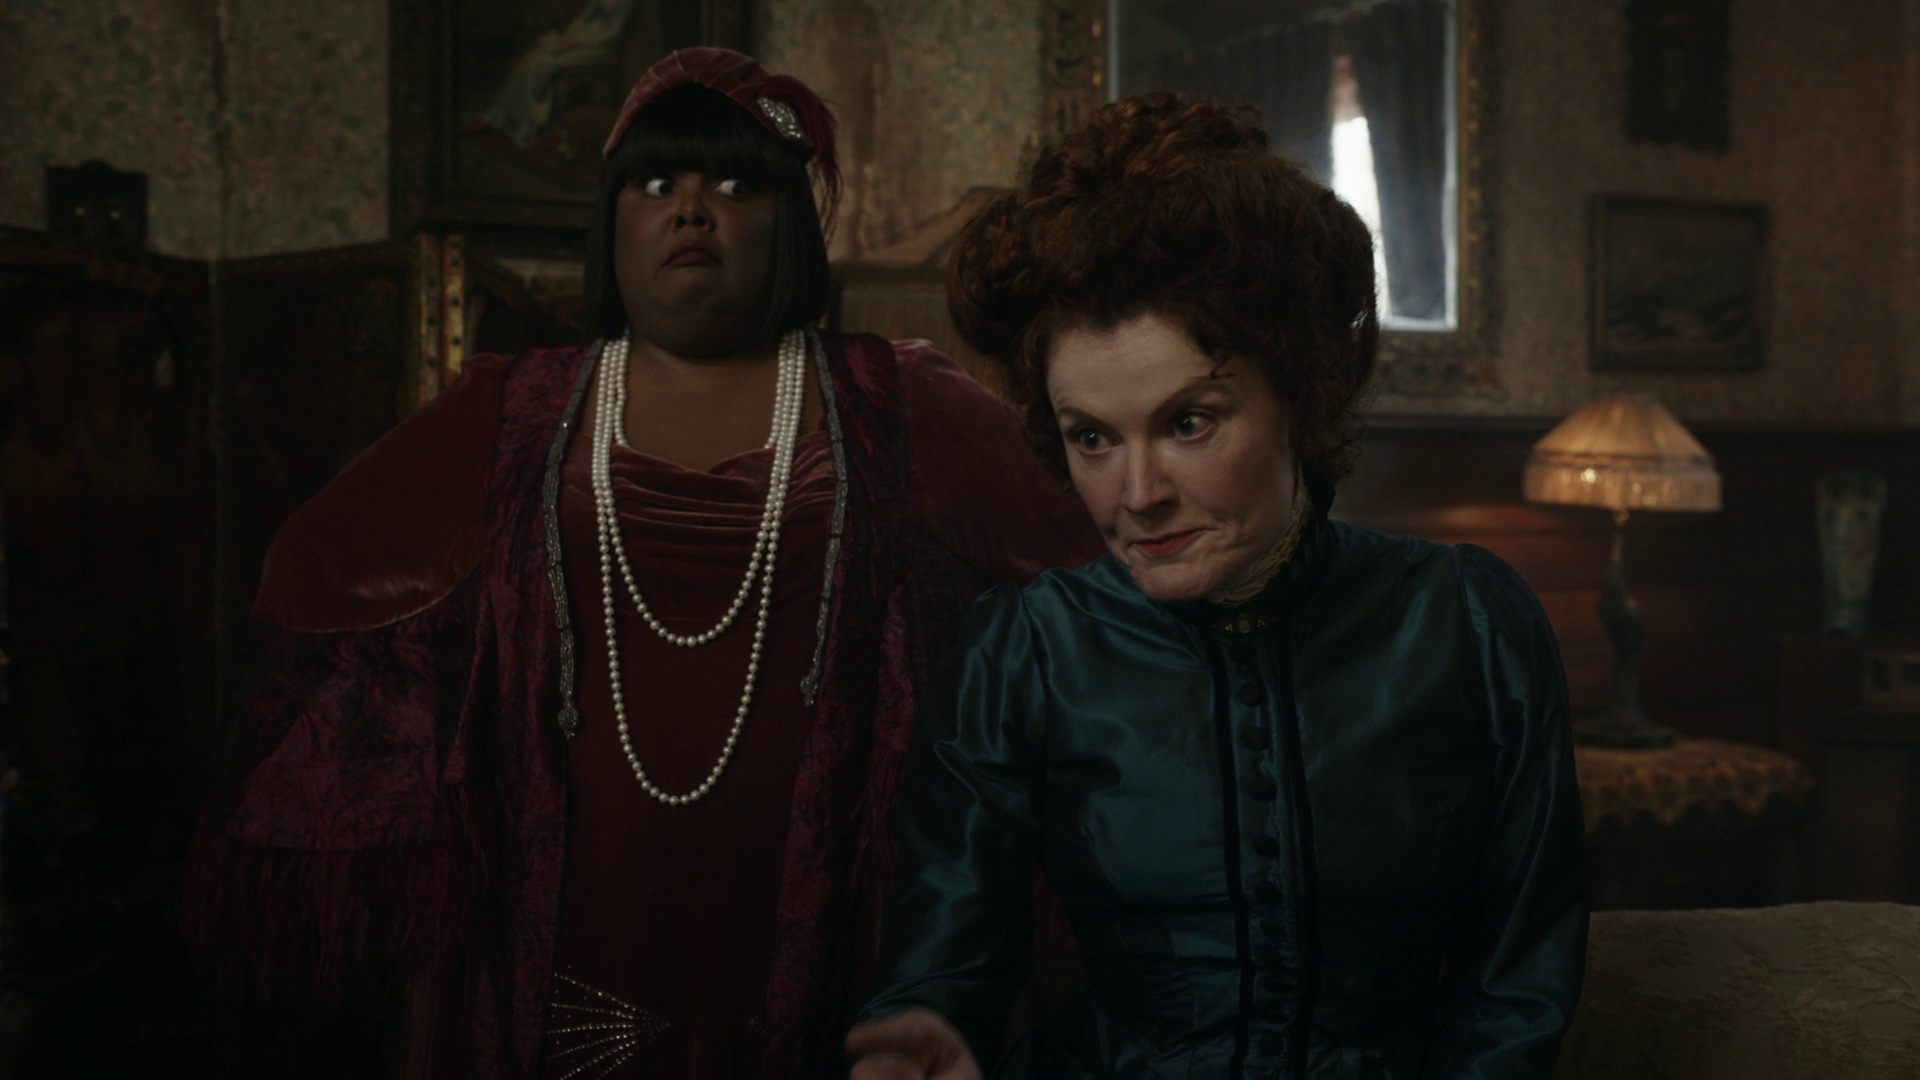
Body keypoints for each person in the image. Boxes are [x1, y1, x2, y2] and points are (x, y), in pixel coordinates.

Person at [184, 48, 1101, 1078]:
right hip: (567, 899)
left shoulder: (895, 397)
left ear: (791, 224)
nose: (691, 209)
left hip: (812, 903)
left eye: (736, 184)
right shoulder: (516, 406)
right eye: (656, 183)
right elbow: (323, 567)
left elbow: (1080, 555)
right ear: (611, 224)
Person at [848, 94, 1588, 1079]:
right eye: (1092, 438)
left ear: (1303, 395)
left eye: (1190, 422)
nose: (1138, 495)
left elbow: (1519, 990)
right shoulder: (1023, 651)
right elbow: (945, 971)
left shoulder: (1470, 624)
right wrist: (931, 1035)